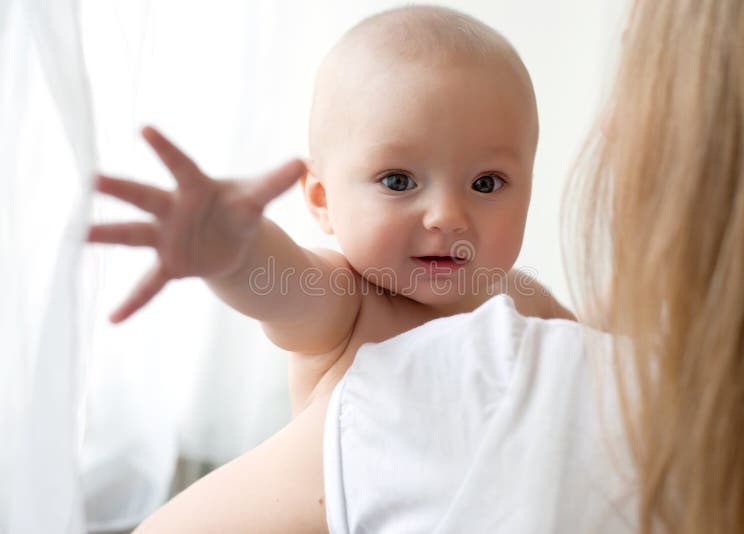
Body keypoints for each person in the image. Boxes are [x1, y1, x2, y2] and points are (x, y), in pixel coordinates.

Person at [87, 5, 572, 532]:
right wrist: (233, 253)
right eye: (398, 181)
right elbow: (282, 284)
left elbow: (612, 374)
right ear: (322, 199)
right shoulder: (350, 299)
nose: (447, 217)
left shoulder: (524, 300)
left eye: (485, 184)